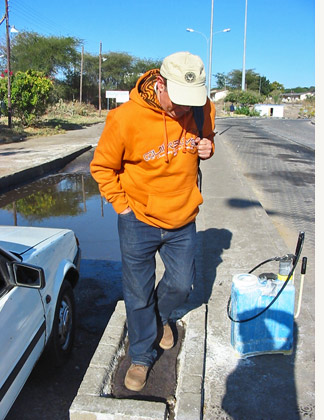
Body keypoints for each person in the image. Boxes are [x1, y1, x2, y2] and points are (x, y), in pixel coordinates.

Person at [90, 51, 215, 392]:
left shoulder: (202, 109)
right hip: (138, 220)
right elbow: (102, 168)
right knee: (138, 292)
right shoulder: (125, 118)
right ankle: (142, 356)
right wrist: (123, 208)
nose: (185, 110)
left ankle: (159, 319)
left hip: (182, 217)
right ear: (159, 85)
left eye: (192, 101)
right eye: (179, 102)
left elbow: (207, 139)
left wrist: (208, 147)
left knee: (182, 283)